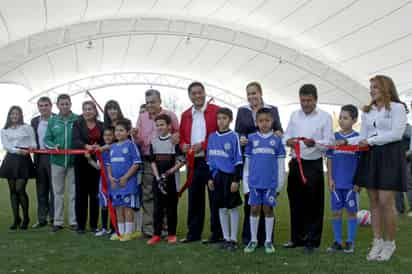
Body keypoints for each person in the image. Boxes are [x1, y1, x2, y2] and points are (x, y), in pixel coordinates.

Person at [355, 75, 407, 261]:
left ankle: (389, 243)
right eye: (371, 87)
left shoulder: (397, 108)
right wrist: (346, 141)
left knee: (386, 201)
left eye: (375, 87)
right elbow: (362, 136)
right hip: (371, 155)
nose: (371, 90)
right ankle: (377, 241)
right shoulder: (367, 111)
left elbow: (396, 134)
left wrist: (370, 141)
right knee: (374, 200)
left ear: (386, 88)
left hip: (390, 156)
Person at [283, 84, 334, 253]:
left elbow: (329, 143)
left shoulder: (325, 117)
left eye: (309, 100)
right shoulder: (294, 115)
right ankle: (296, 238)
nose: (305, 104)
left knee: (314, 203)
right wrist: (288, 141)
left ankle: (312, 240)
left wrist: (316, 143)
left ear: (315, 99)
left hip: (313, 164)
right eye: (302, 100)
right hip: (296, 163)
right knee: (296, 202)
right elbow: (286, 135)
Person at [235, 81, 283, 245]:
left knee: (267, 206)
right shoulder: (242, 111)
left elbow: (278, 129)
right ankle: (251, 238)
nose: (251, 96)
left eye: (254, 93)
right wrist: (241, 138)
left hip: (268, 159)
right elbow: (239, 131)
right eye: (249, 94)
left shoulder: (272, 109)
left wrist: (278, 133)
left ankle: (267, 239)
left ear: (260, 93)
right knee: (252, 206)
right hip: (251, 158)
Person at [179, 81, 222, 244]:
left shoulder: (215, 111)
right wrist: (183, 144)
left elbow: (219, 133)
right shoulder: (185, 115)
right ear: (189, 96)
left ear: (204, 93)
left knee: (214, 198)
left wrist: (202, 145)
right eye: (193, 93)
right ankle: (193, 234)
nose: (197, 96)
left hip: (212, 160)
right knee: (194, 198)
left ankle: (216, 233)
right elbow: (182, 135)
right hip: (193, 161)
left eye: (199, 92)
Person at [134, 89, 179, 237]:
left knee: (166, 194)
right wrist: (135, 137)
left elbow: (178, 135)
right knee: (148, 195)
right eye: (147, 102)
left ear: (160, 101)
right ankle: (150, 229)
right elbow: (139, 141)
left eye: (153, 102)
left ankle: (166, 228)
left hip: (167, 161)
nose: (150, 105)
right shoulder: (141, 118)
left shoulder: (170, 115)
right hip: (149, 160)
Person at [243, 108, 286, 254]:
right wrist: (245, 185)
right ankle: (253, 240)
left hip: (270, 183)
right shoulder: (251, 139)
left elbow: (281, 165)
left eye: (267, 120)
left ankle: (268, 240)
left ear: (272, 121)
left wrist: (279, 185)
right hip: (254, 183)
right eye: (261, 121)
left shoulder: (277, 140)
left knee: (268, 210)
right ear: (256, 122)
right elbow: (247, 165)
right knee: (254, 209)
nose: (264, 123)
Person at [207, 108, 243, 251]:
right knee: (220, 207)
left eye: (224, 118)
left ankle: (234, 239)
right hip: (217, 177)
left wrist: (236, 180)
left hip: (230, 177)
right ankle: (226, 238)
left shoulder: (234, 136)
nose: (221, 121)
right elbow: (209, 160)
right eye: (219, 118)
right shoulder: (212, 137)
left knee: (232, 207)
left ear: (230, 120)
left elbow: (238, 160)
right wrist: (210, 178)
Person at [326, 105, 360, 253]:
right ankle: (338, 241)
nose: (341, 120)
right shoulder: (334, 138)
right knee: (336, 212)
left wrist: (358, 182)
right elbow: (329, 160)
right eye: (340, 117)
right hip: (336, 183)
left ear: (354, 120)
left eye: (345, 118)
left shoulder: (358, 139)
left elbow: (361, 163)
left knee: (351, 212)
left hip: (351, 184)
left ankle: (350, 242)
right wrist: (330, 179)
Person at [147, 114, 185, 245]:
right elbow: (152, 161)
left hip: (171, 181)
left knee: (171, 208)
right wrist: (158, 177)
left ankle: (171, 234)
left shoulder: (174, 142)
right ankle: (156, 234)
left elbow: (181, 160)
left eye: (162, 124)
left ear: (169, 126)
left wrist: (169, 172)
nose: (159, 127)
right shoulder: (154, 142)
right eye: (157, 125)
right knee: (157, 209)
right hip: (158, 181)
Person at [44, 94, 79, 232]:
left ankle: (73, 221)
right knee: (57, 193)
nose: (64, 106)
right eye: (62, 104)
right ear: (57, 105)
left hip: (73, 162)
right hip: (56, 162)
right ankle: (57, 222)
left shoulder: (77, 119)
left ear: (70, 104)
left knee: (73, 193)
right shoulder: (52, 121)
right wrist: (54, 146)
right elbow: (47, 139)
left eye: (67, 104)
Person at [0, 106, 36, 230]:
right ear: (9, 116)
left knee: (20, 188)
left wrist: (30, 148)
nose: (14, 116)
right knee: (13, 191)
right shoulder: (4, 130)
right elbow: (7, 146)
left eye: (17, 114)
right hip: (10, 160)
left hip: (23, 160)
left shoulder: (27, 128)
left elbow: (33, 143)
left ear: (21, 115)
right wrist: (18, 150)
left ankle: (26, 218)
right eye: (12, 114)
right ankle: (16, 218)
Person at [72, 101, 104, 234]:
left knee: (95, 194)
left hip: (96, 163)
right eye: (85, 109)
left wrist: (98, 147)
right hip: (81, 162)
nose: (87, 111)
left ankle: (93, 225)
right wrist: (86, 146)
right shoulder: (77, 124)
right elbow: (75, 140)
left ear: (95, 111)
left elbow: (105, 140)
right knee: (81, 194)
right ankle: (80, 225)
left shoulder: (102, 125)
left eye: (90, 109)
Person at [107, 119, 142, 241]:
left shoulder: (131, 145)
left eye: (121, 130)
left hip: (127, 183)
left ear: (128, 132)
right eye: (116, 130)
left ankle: (129, 232)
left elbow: (137, 163)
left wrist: (126, 177)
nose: (118, 133)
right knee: (118, 208)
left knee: (128, 208)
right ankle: (120, 232)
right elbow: (109, 164)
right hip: (115, 184)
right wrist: (110, 177)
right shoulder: (112, 147)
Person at [31, 96, 55, 228]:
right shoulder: (34, 121)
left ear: (51, 106)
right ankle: (41, 219)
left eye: (46, 105)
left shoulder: (57, 119)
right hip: (39, 158)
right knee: (41, 189)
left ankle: (54, 218)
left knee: (54, 190)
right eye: (41, 106)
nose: (43, 108)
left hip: (54, 157)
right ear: (38, 107)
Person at [90, 126, 115, 236]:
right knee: (104, 204)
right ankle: (104, 228)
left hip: (114, 180)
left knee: (114, 204)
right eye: (105, 135)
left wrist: (101, 148)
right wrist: (89, 159)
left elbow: (110, 146)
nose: (107, 137)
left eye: (110, 135)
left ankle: (114, 228)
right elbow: (98, 167)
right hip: (103, 180)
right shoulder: (100, 151)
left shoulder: (115, 147)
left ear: (114, 136)